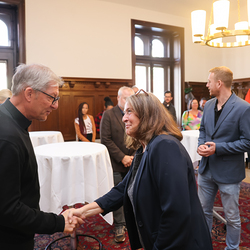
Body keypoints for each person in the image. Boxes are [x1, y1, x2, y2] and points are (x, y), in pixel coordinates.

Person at [69, 90, 213, 250]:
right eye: (124, 112)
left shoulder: (165, 147)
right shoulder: (144, 148)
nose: (124, 118)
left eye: (129, 111)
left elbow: (176, 214)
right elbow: (122, 190)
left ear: (147, 115)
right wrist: (82, 212)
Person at [0, 63, 82, 250]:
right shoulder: (7, 136)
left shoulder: (11, 122)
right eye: (52, 97)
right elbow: (8, 210)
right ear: (29, 93)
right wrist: (58, 223)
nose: (56, 105)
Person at [197, 66, 250, 250]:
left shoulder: (244, 108)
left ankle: (232, 248)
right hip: (206, 170)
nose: (206, 85)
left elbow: (247, 142)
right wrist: (201, 144)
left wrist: (217, 148)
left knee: (232, 217)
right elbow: (203, 130)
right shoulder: (209, 104)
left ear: (219, 83)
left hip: (229, 173)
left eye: (209, 81)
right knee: (202, 212)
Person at [100, 86, 135, 243]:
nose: (128, 102)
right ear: (118, 98)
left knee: (134, 191)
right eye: (126, 98)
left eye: (131, 98)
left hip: (134, 160)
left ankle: (132, 220)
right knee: (118, 193)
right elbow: (105, 139)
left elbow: (139, 134)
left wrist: (133, 156)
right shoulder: (109, 114)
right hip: (116, 162)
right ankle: (120, 224)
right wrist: (122, 157)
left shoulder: (136, 113)